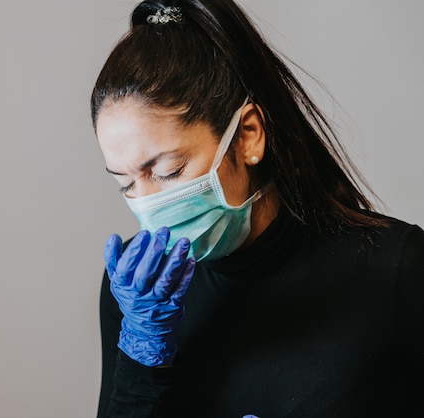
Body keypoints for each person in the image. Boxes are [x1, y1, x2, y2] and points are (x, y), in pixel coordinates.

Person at [90, 1, 424, 417]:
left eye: (169, 170)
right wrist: (142, 356)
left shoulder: (395, 269)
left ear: (248, 135)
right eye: (125, 183)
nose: (149, 204)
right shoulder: (140, 296)